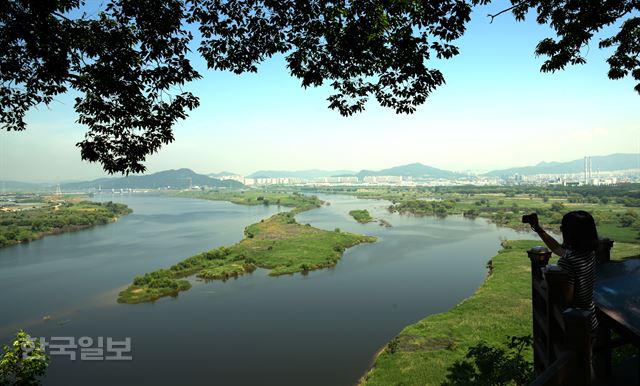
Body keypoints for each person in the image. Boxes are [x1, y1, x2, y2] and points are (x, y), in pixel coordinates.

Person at [528, 210, 599, 331]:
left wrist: (547, 279)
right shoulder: (588, 253)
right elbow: (557, 248)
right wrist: (537, 228)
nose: (561, 229)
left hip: (574, 324)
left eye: (563, 227)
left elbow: (567, 298)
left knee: (582, 350)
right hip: (590, 317)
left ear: (570, 232)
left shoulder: (567, 262)